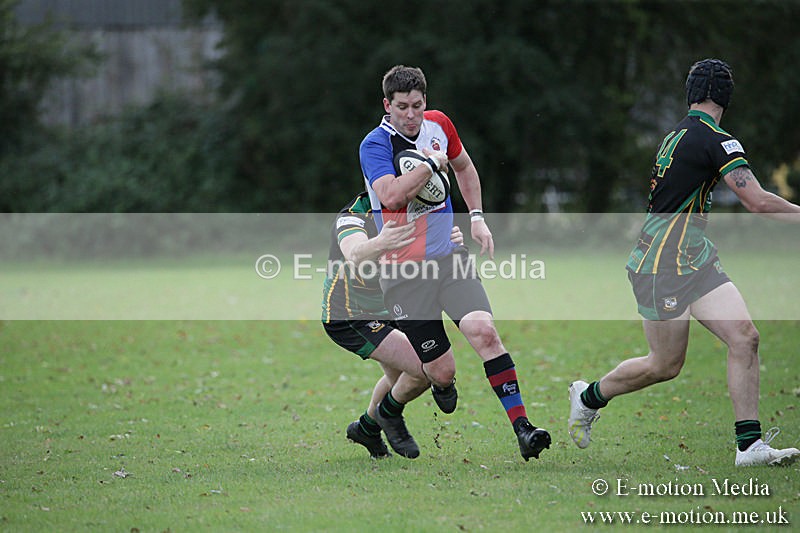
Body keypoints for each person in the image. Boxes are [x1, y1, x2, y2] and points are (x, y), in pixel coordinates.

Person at [568, 59, 800, 467]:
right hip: (661, 266)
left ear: (690, 94)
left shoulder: (677, 134)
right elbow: (758, 202)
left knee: (745, 337)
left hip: (695, 258)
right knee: (664, 365)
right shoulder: (717, 140)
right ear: (726, 97)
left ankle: (749, 447)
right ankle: (588, 397)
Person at [359, 65, 551, 461]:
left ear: (425, 101)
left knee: (485, 332)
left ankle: (523, 428)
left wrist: (476, 216)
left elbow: (463, 166)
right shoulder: (375, 145)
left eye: (417, 105)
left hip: (449, 257)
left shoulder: (439, 125)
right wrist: (430, 164)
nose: (410, 115)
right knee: (440, 372)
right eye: (401, 107)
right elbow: (392, 196)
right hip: (403, 273)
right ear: (387, 105)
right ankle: (386, 414)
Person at [322, 191, 462, 459]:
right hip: (351, 314)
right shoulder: (354, 214)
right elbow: (354, 253)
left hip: (396, 304)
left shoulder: (418, 208)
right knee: (425, 369)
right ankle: (387, 415)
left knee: (399, 378)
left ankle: (367, 428)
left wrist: (448, 243)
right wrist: (381, 241)